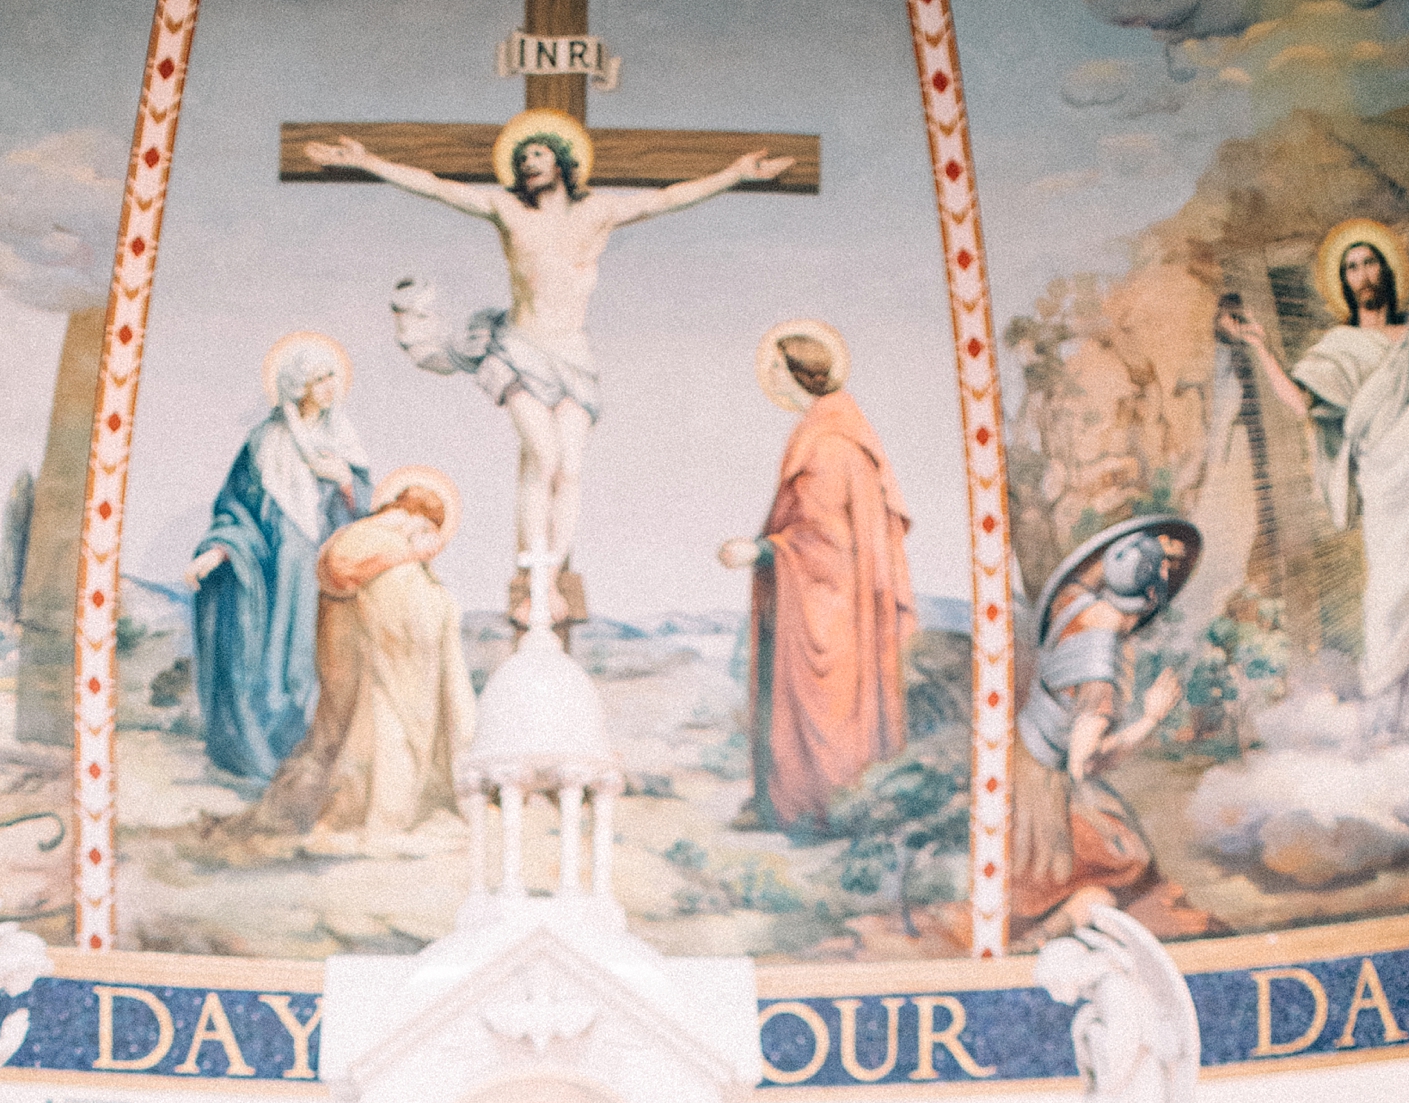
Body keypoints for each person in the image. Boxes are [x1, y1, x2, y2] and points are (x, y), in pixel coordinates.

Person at [306, 116, 791, 567]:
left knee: (571, 469)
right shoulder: (508, 211)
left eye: (537, 154)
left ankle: (551, 571)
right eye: (522, 160)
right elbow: (437, 188)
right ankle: (531, 565)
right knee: (542, 454)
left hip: (572, 356)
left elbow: (665, 198)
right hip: (518, 349)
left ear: (561, 160)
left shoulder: (598, 213)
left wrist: (735, 173)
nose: (528, 163)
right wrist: (366, 161)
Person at [1217, 228, 1409, 740]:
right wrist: (1260, 346)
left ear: (1388, 270)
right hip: (1389, 489)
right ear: (1343, 282)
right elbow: (1303, 402)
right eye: (1351, 267)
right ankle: (1392, 709)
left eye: (1370, 262)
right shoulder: (1339, 347)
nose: (1363, 274)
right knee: (1392, 591)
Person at [719, 327, 915, 832]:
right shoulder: (837, 433)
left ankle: (815, 808)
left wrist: (761, 551)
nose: (769, 380)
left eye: (774, 371)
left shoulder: (827, 448)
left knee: (826, 712)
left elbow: (826, 543)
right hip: (832, 602)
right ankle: (816, 807)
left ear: (795, 375)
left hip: (828, 607)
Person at [1010, 515, 1214, 942]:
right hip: (1048, 792)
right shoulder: (1100, 668)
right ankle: (1046, 933)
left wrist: (1142, 551)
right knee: (1125, 870)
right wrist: (1151, 718)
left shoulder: (1075, 604)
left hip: (1023, 759)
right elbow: (1085, 763)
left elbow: (1091, 572)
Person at [185, 336, 371, 782]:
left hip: (326, 579)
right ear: (296, 386)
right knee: (271, 670)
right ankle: (263, 756)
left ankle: (314, 759)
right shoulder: (265, 442)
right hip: (273, 584)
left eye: (332, 377)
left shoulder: (342, 440)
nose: (329, 387)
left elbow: (366, 513)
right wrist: (219, 549)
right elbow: (237, 509)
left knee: (320, 666)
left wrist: (345, 481)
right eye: (318, 378)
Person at [256, 477, 474, 845]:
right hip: (358, 653)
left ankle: (335, 809)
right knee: (356, 733)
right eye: (426, 527)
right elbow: (339, 568)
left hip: (368, 654)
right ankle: (355, 812)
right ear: (413, 515)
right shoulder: (378, 537)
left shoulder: (383, 538)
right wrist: (409, 555)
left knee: (340, 733)